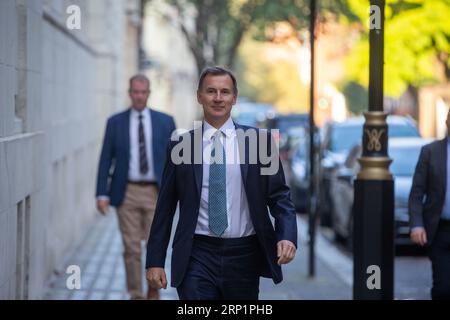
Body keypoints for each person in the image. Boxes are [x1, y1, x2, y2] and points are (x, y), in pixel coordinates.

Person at [145, 66, 297, 300]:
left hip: (244, 255)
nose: (218, 98)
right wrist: (155, 260)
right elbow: (165, 208)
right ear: (199, 96)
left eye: (225, 92)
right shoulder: (180, 146)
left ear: (234, 98)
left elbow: (279, 197)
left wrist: (286, 235)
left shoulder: (260, 143)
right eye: (211, 91)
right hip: (196, 254)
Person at [96, 75, 176, 300]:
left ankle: (153, 288)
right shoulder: (115, 122)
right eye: (135, 92)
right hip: (126, 191)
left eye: (143, 92)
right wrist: (102, 193)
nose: (139, 96)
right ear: (129, 93)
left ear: (149, 93)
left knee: (155, 245)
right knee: (131, 248)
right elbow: (105, 159)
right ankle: (135, 294)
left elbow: (175, 161)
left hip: (156, 192)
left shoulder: (165, 121)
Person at [409, 109, 450, 300]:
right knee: (443, 287)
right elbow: (417, 193)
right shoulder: (430, 152)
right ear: (447, 122)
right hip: (440, 230)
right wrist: (417, 224)